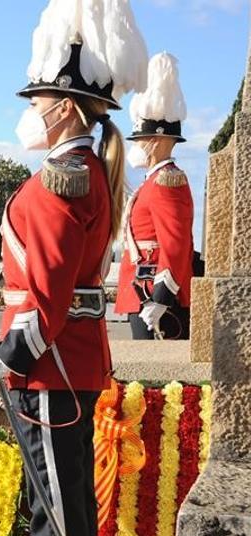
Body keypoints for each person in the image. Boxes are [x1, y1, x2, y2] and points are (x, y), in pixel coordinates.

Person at [0, 1, 146, 536]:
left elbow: (43, 299)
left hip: (48, 370)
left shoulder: (53, 185)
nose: (37, 106)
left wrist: (8, 353)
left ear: (69, 107)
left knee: (55, 507)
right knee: (65, 501)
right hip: (72, 364)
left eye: (46, 96)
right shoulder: (86, 176)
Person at [114, 52, 194, 341]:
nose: (139, 145)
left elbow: (175, 243)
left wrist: (161, 296)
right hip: (142, 292)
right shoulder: (151, 183)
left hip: (155, 296)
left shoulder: (166, 181)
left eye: (142, 139)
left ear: (158, 140)